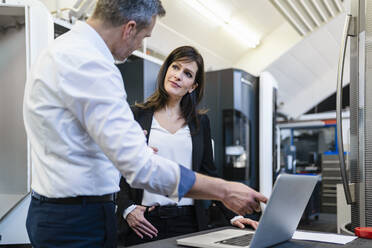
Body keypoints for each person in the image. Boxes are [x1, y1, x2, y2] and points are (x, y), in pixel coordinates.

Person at [23, 0, 267, 247]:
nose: (140, 45)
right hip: (77, 220)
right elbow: (140, 168)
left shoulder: (64, 50)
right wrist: (225, 190)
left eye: (188, 74)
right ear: (129, 28)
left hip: (66, 212)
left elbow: (77, 142)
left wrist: (129, 147)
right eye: (143, 37)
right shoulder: (91, 65)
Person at [116, 46, 259, 246]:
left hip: (190, 221)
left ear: (192, 86)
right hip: (145, 222)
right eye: (175, 67)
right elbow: (117, 169)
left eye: (187, 74)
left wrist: (232, 216)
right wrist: (127, 209)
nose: (178, 76)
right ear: (166, 70)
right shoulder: (136, 115)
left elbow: (209, 173)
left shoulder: (201, 123)